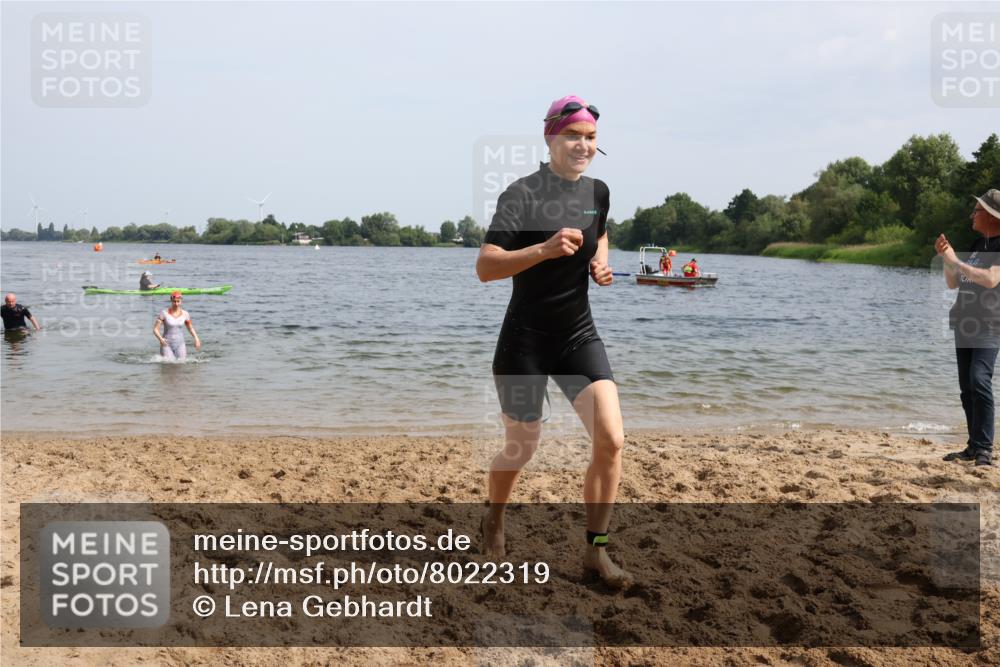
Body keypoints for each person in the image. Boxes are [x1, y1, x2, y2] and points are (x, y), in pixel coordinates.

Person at [476, 95, 628, 586]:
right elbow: (485, 267)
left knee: (611, 440)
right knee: (521, 447)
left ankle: (595, 553)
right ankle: (495, 518)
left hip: (577, 333)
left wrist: (597, 260)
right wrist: (541, 249)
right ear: (551, 138)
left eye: (591, 138)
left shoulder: (598, 192)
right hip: (524, 340)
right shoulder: (521, 194)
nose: (582, 146)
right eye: (573, 136)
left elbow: (598, 232)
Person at [939, 189, 1000, 467]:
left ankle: (985, 449)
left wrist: (956, 260)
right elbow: (953, 282)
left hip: (989, 325)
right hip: (963, 322)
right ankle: (973, 447)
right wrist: (946, 258)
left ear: (990, 215)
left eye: (976, 210)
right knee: (966, 388)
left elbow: (989, 280)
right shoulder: (977, 244)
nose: (971, 214)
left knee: (979, 379)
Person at [154, 292, 200, 360]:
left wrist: (196, 339)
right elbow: (155, 329)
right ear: (171, 301)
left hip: (180, 344)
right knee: (169, 365)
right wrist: (160, 339)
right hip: (166, 344)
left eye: (178, 301)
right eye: (174, 302)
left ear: (181, 301)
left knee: (181, 365)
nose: (176, 304)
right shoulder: (164, 313)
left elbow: (190, 328)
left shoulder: (185, 314)